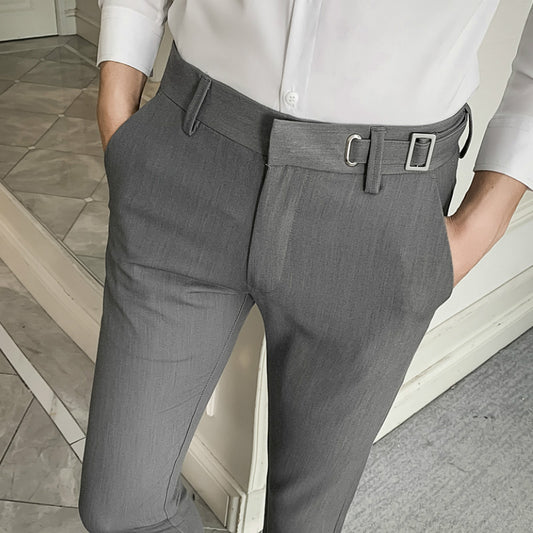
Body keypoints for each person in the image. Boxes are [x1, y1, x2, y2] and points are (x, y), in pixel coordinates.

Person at [78, 2, 532, 532]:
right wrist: (117, 104)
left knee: (306, 522)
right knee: (121, 507)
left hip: (382, 202)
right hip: (187, 155)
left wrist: (484, 221)